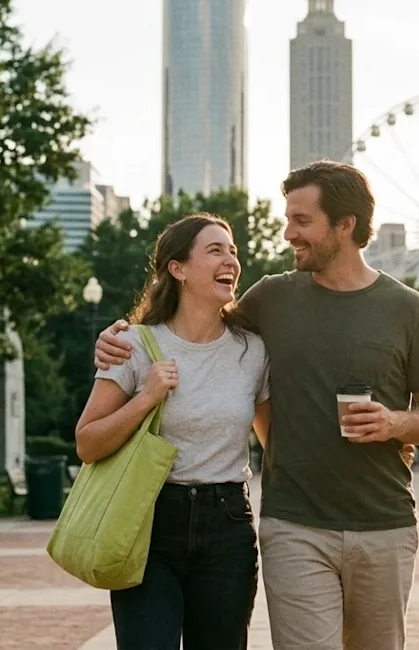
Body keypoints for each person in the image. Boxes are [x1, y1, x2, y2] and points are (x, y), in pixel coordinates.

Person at [97, 161, 419, 650]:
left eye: (301, 221)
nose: (289, 234)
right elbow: (197, 321)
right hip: (293, 526)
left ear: (345, 225)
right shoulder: (271, 298)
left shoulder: (409, 309)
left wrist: (395, 423)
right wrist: (119, 335)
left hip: (385, 522)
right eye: (288, 220)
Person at [75, 214, 270, 650]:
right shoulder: (135, 345)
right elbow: (87, 442)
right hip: (149, 521)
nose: (231, 261)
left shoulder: (252, 350)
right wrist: (145, 399)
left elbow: (275, 443)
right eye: (215, 250)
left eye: (233, 251)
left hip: (228, 527)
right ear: (177, 269)